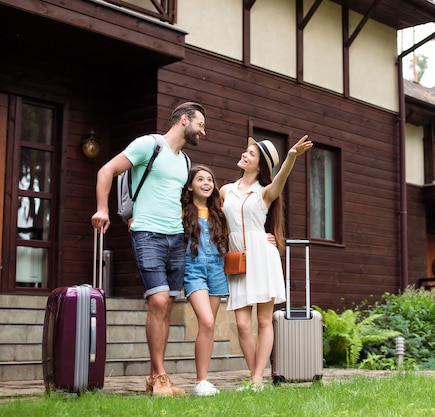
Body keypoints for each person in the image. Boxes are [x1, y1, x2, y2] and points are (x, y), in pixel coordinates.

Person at [91, 102, 207, 397]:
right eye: (200, 125)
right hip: (147, 234)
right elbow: (107, 170)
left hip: (174, 237)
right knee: (157, 301)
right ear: (184, 121)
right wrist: (103, 210)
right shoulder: (149, 145)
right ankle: (161, 376)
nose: (203, 132)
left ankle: (156, 377)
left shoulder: (185, 162)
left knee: (166, 304)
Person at [220, 134, 313, 390]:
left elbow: (281, 178)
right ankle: (256, 375)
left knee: (263, 321)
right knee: (241, 323)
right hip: (238, 260)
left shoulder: (265, 193)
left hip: (263, 257)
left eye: (251, 153)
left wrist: (291, 157)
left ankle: (257, 379)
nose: (244, 154)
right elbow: (218, 222)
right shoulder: (226, 190)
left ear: (260, 166)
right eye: (245, 150)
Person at [181, 165, 229, 396]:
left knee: (207, 328)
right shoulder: (182, 212)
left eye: (209, 179)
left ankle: (203, 381)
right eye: (200, 179)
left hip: (217, 272)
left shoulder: (219, 213)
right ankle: (201, 381)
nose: (206, 183)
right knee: (208, 322)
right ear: (190, 186)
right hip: (194, 271)